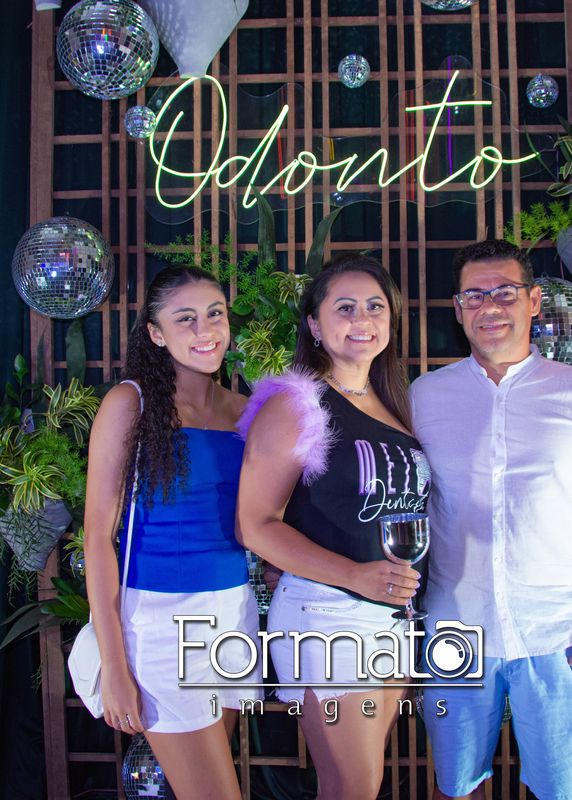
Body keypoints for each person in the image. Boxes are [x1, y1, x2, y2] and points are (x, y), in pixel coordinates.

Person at [409, 239, 572, 800]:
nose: (489, 306)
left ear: (535, 301)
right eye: (473, 295)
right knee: (455, 786)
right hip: (455, 631)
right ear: (457, 309)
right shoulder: (424, 396)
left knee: (563, 790)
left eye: (505, 292)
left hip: (559, 632)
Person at [237, 253, 428, 800]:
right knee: (356, 786)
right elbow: (255, 525)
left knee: (353, 785)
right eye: (345, 308)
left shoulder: (396, 405)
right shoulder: (296, 405)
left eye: (375, 306)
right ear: (315, 325)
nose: (362, 319)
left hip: (391, 616)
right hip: (326, 612)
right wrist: (354, 575)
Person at [84, 265, 261, 800]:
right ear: (156, 333)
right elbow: (97, 538)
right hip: (161, 623)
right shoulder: (130, 403)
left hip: (234, 613)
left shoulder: (244, 410)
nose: (205, 330)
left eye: (215, 314)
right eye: (185, 319)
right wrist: (115, 666)